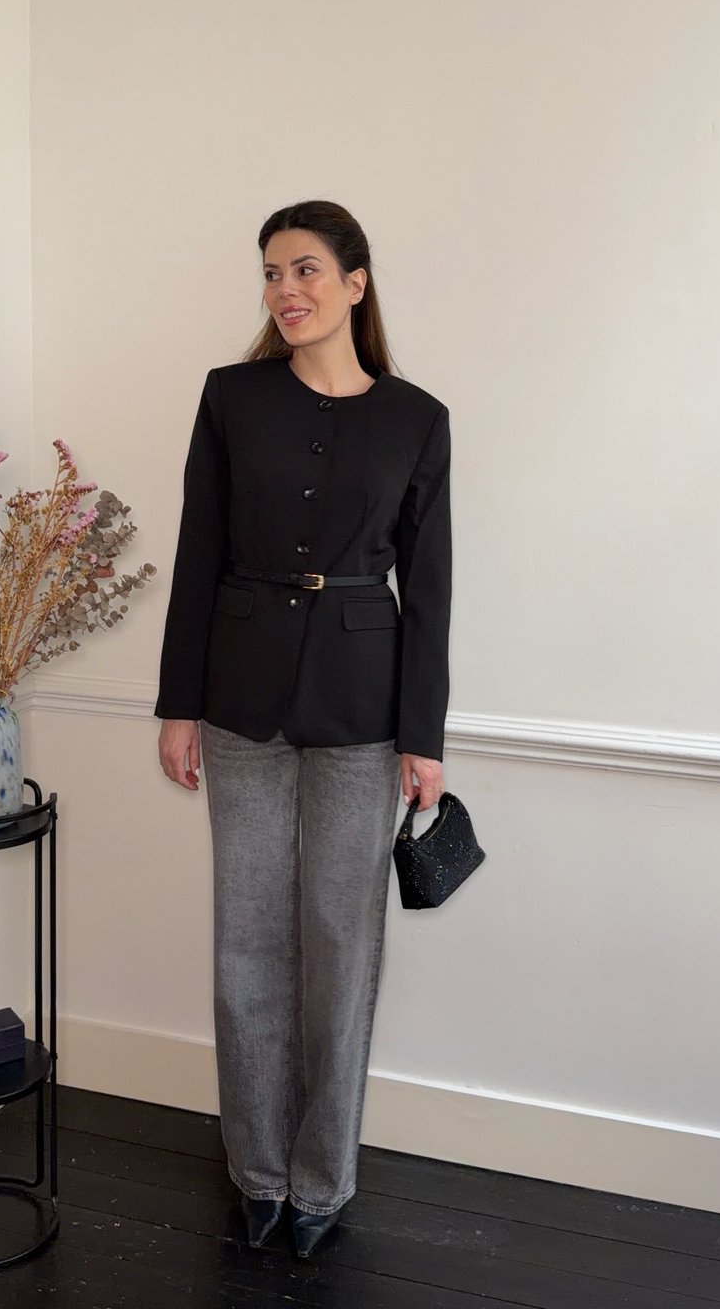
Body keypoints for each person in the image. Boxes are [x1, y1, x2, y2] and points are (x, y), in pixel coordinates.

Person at [154, 199, 452, 1258]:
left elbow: (430, 584)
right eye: (272, 273)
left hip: (362, 712)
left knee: (341, 943)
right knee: (247, 942)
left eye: (307, 270)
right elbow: (197, 551)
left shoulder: (417, 419)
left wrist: (422, 735)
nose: (286, 290)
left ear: (355, 284)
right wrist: (177, 703)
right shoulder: (230, 398)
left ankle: (323, 1178)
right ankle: (259, 1172)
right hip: (238, 702)